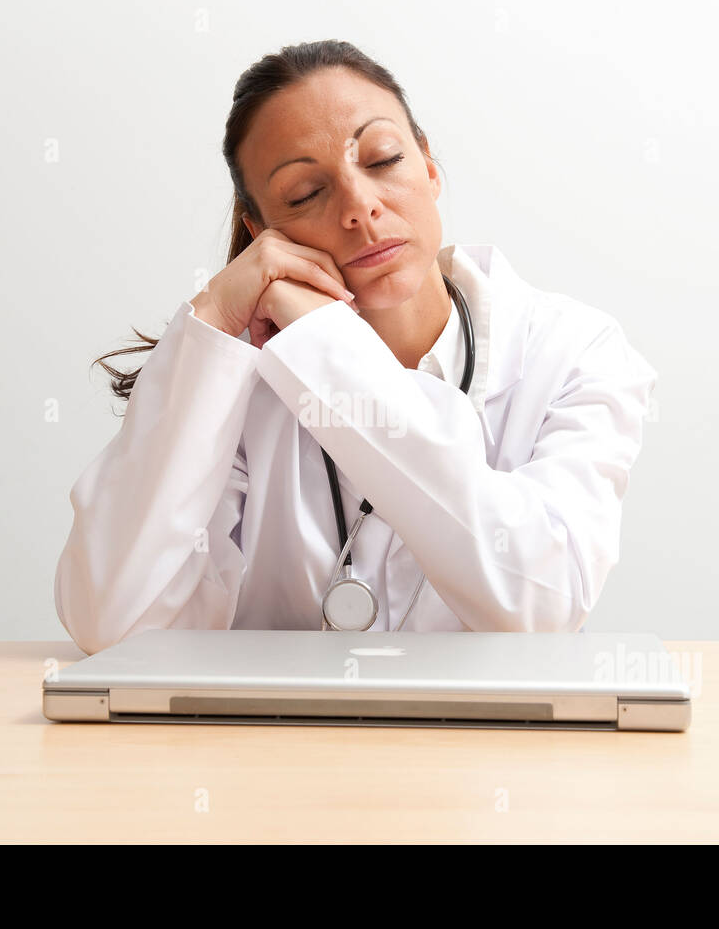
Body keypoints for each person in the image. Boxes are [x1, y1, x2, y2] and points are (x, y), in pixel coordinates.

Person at [53, 39, 658, 656]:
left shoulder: (576, 351)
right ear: (261, 232)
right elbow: (114, 622)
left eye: (383, 159)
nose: (359, 207)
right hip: (276, 747)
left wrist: (329, 352)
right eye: (304, 194)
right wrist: (209, 316)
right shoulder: (231, 375)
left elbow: (538, 602)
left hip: (495, 749)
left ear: (428, 165)